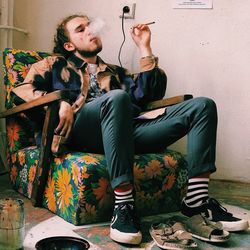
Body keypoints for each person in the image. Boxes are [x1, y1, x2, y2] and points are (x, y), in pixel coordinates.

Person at [12, 14, 249, 245]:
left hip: (126, 133)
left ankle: (197, 201)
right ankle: (124, 205)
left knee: (202, 105)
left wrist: (145, 47)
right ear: (69, 45)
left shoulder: (115, 72)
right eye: (81, 29)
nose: (90, 30)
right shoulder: (54, 64)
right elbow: (20, 92)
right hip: (80, 133)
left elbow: (150, 94)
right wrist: (59, 101)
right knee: (116, 98)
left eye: (90, 25)